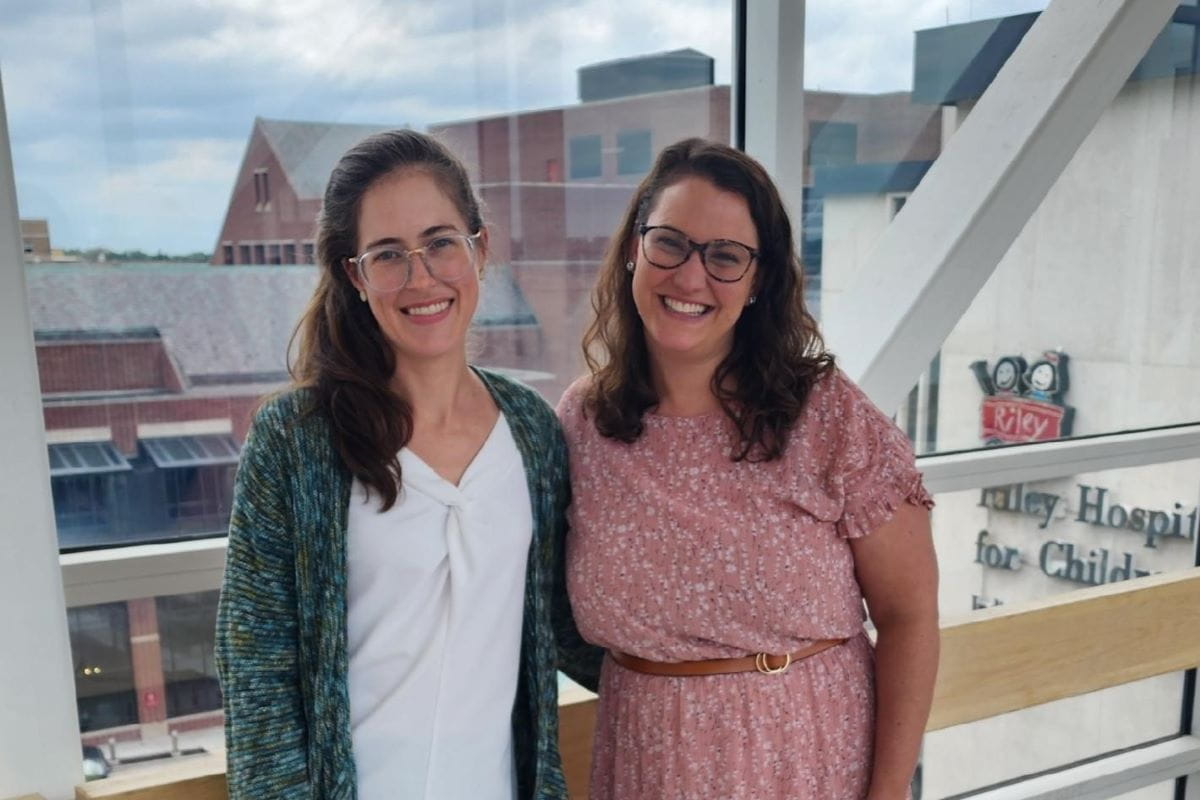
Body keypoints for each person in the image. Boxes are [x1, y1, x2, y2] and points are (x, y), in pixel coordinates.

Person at [216, 129, 601, 800]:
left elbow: (567, 628)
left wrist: (721, 674)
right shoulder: (296, 440)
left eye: (440, 242)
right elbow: (258, 678)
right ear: (355, 276)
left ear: (479, 251)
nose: (421, 277)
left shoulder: (534, 432)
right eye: (388, 254)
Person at [557, 138, 939, 800]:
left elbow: (910, 615)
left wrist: (886, 796)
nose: (690, 275)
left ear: (759, 281)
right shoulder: (583, 423)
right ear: (632, 250)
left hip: (804, 760)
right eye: (669, 242)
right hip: (641, 761)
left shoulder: (828, 417)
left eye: (725, 256)